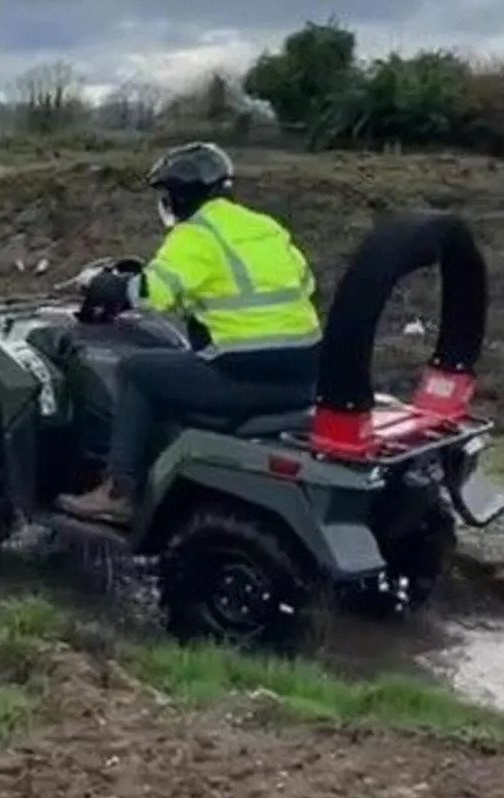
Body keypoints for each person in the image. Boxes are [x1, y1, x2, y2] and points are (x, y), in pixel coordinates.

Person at [56, 141, 321, 525]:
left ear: (180, 196)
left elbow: (150, 293)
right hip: (302, 377)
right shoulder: (266, 227)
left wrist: (102, 285)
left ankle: (117, 491)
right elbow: (304, 284)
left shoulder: (195, 235)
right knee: (181, 363)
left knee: (137, 371)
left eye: (167, 194)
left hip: (241, 375)